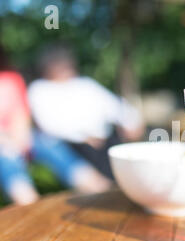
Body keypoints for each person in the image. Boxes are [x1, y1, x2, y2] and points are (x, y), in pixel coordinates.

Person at [0, 46, 111, 205]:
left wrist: (20, 139)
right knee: (6, 158)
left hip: (21, 136)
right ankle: (28, 205)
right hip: (3, 144)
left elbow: (21, 115)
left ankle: (97, 187)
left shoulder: (11, 79)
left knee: (49, 142)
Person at [28, 44, 145, 179]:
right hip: (74, 147)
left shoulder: (86, 85)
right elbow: (49, 126)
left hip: (106, 142)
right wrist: (84, 137)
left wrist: (131, 123)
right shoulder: (40, 90)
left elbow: (116, 107)